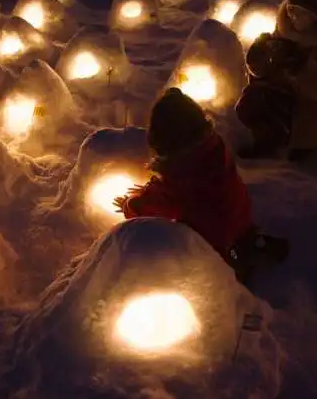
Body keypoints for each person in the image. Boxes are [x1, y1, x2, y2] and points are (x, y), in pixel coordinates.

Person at [113, 88, 287, 283]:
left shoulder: (180, 178)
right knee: (228, 225)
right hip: (239, 216)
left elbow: (155, 205)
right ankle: (248, 244)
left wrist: (130, 205)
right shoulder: (214, 148)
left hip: (212, 242)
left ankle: (233, 267)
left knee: (165, 247)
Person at [235, 0, 317, 161]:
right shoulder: (286, 28)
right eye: (291, 10)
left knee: (280, 112)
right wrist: (260, 56)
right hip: (288, 94)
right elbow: (266, 72)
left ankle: (301, 146)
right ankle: (268, 143)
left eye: (301, 12)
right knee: (254, 99)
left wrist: (300, 64)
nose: (293, 16)